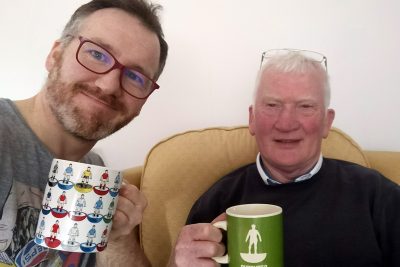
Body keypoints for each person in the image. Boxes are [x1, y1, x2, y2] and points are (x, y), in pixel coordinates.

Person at [169, 50, 400, 266]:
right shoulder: (217, 201)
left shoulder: (377, 196)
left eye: (305, 106)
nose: (286, 123)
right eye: (272, 105)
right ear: (252, 118)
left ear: (326, 123)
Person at [0, 0, 168, 266]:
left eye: (136, 77)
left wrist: (118, 237)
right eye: (98, 54)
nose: (109, 84)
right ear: (55, 54)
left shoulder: (95, 171)